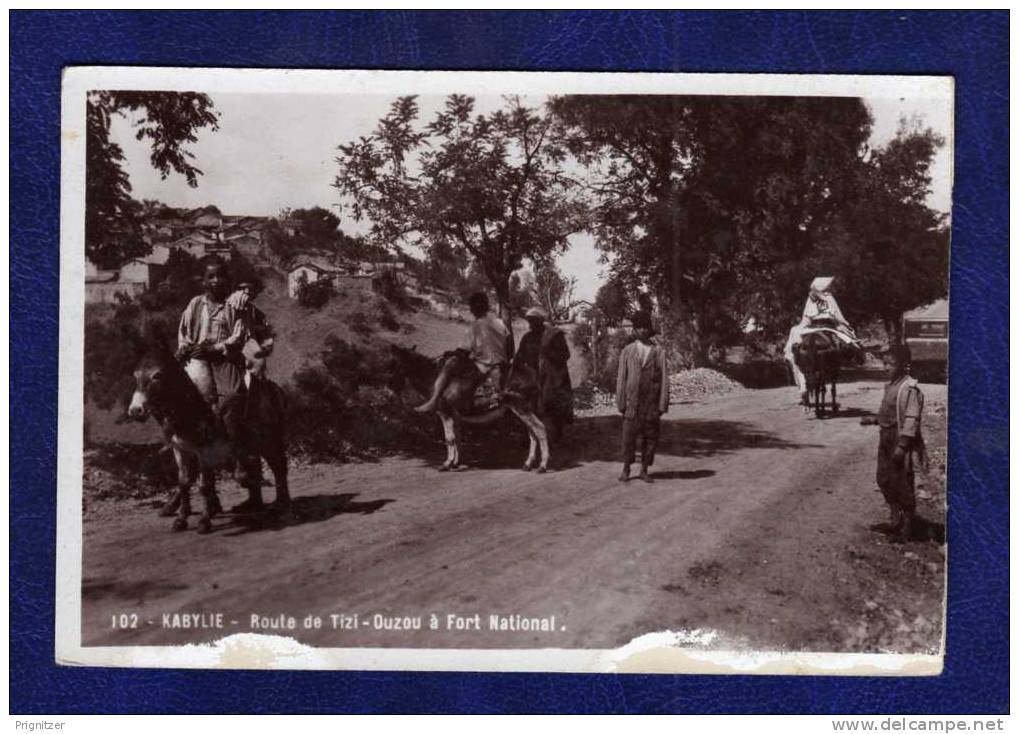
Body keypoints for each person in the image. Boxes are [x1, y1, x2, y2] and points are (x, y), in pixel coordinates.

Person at [177, 258, 259, 508]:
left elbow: (238, 335)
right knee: (176, 396)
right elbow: (184, 332)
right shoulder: (195, 304)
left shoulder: (235, 304)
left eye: (220, 276)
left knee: (233, 396)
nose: (215, 281)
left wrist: (214, 348)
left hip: (224, 360)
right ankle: (177, 441)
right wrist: (184, 349)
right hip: (198, 359)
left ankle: (237, 453)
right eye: (210, 277)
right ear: (203, 281)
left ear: (228, 279)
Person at [861, 344, 927, 542]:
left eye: (890, 364)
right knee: (884, 478)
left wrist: (902, 445)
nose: (885, 367)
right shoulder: (890, 386)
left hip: (900, 441)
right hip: (886, 438)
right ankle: (894, 518)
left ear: (903, 365)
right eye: (885, 363)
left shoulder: (910, 388)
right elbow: (888, 413)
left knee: (903, 482)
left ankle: (907, 529)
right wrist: (874, 419)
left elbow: (911, 418)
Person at [415, 292, 513, 413]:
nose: (471, 310)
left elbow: (464, 351)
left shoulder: (475, 326)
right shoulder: (500, 323)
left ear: (474, 309)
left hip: (484, 366)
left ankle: (433, 401)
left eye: (472, 307)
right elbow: (510, 347)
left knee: (450, 364)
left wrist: (452, 353)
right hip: (502, 364)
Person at [784, 276, 861, 404]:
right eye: (829, 286)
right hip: (829, 327)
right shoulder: (829, 298)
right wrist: (845, 325)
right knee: (849, 339)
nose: (831, 288)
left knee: (795, 337)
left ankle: (796, 365)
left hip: (811, 327)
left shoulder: (811, 298)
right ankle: (854, 356)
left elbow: (806, 318)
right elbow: (837, 317)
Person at [615, 311, 670, 483]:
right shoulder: (627, 351)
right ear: (635, 330)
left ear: (649, 329)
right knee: (628, 437)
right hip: (632, 403)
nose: (643, 330)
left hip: (651, 403)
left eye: (645, 327)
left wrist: (662, 404)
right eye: (639, 327)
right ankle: (626, 468)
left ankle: (645, 469)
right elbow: (621, 378)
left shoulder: (658, 351)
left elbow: (664, 379)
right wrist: (621, 402)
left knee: (650, 437)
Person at [512, 306, 574, 434]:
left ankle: (556, 432)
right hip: (533, 376)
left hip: (552, 376)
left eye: (534, 321)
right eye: (529, 321)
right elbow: (520, 356)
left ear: (541, 321)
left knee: (553, 402)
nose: (531, 324)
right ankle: (534, 433)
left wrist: (548, 354)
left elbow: (565, 355)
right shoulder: (527, 338)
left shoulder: (554, 336)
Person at [228, 279, 276, 382]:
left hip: (248, 338)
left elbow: (261, 321)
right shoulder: (231, 304)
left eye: (250, 292)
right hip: (235, 339)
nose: (248, 295)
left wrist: (264, 327)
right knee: (257, 362)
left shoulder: (251, 308)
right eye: (246, 291)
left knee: (259, 362)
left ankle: (254, 383)